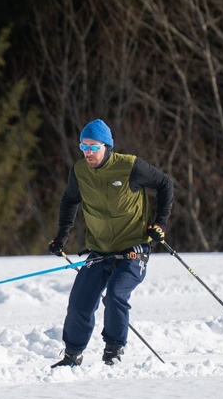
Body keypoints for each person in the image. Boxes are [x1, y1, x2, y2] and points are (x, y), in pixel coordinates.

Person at [48, 118, 174, 367]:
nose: (88, 152)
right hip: (99, 251)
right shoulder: (80, 171)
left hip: (133, 249)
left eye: (93, 147)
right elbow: (69, 200)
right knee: (79, 303)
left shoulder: (131, 166)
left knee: (116, 295)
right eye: (83, 146)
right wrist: (62, 234)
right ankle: (72, 355)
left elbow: (165, 184)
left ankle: (113, 352)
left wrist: (160, 223)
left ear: (107, 146)